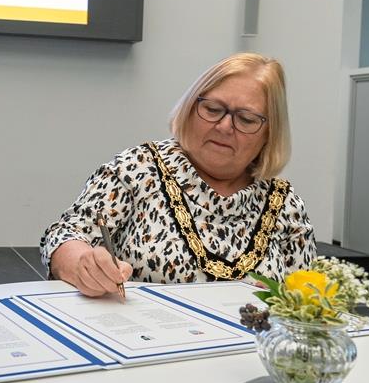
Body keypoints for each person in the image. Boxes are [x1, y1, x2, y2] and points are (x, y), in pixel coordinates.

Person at [40, 52, 314, 296]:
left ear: (270, 133)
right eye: (212, 109)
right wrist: (82, 263)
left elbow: (308, 299)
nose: (224, 126)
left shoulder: (284, 203)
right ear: (190, 109)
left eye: (246, 119)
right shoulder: (138, 168)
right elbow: (65, 233)